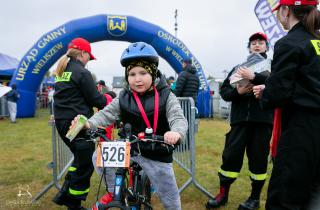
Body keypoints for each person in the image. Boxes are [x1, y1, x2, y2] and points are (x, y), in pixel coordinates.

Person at [74, 42, 188, 210]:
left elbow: (178, 118)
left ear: (153, 72)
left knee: (171, 200)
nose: (137, 79)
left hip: (157, 152)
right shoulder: (123, 97)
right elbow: (106, 114)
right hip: (130, 148)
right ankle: (115, 192)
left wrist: (176, 132)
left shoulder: (167, 95)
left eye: (143, 73)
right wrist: (88, 123)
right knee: (97, 156)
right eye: (132, 74)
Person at [252, 1, 320, 209]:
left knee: (285, 198)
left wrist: (266, 92)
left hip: (300, 133)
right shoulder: (316, 42)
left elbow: (277, 95)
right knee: (314, 192)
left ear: (285, 10)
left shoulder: (288, 43)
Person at [205, 32, 274, 210]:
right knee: (230, 158)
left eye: (261, 42)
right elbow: (225, 92)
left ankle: (254, 198)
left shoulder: (274, 67)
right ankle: (223, 194)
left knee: (258, 161)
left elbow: (278, 85)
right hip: (239, 123)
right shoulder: (238, 68)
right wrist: (239, 92)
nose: (257, 45)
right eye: (253, 43)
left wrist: (255, 77)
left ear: (266, 47)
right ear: (249, 47)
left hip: (262, 122)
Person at [52, 37, 107, 210]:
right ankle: (73, 204)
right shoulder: (82, 72)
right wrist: (110, 98)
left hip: (62, 122)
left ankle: (65, 195)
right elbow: (95, 99)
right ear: (82, 53)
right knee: (85, 163)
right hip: (77, 123)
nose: (88, 61)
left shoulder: (63, 70)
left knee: (80, 158)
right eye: (88, 57)